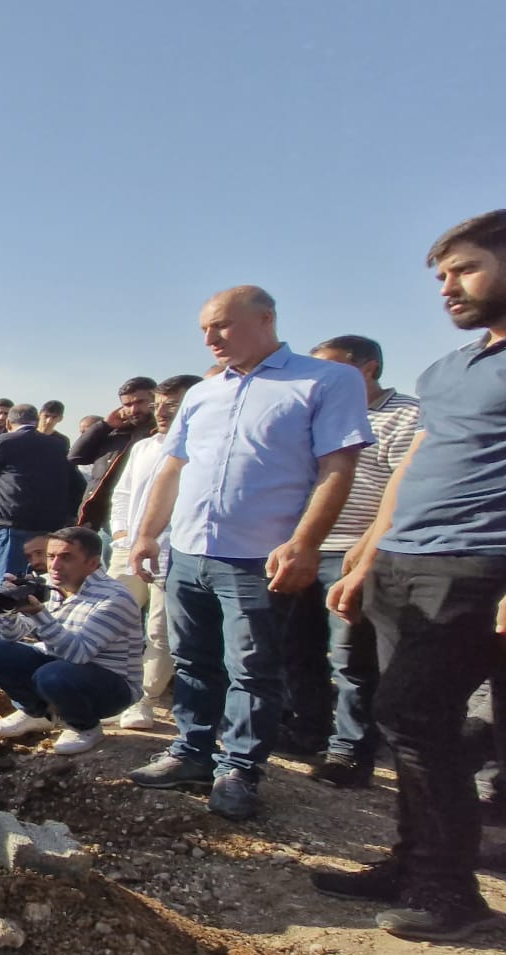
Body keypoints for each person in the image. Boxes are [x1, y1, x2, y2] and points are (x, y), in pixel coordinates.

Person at [318, 212, 506, 940]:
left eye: (463, 270)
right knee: (405, 723)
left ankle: (450, 892)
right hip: (405, 561)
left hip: (476, 567)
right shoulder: (450, 369)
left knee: (416, 716)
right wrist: (368, 551)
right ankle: (412, 865)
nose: (447, 288)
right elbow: (416, 466)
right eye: (440, 278)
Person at [128, 286, 372, 821]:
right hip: (190, 549)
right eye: (204, 330)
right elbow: (173, 468)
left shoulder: (325, 380)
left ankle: (239, 768)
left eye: (222, 325)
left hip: (257, 558)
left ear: (265, 319)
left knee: (253, 669)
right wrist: (147, 533)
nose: (211, 338)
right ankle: (191, 750)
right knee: (193, 660)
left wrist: (305, 543)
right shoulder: (202, 393)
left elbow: (338, 469)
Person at [269, 336, 421, 787]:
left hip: (356, 550)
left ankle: (350, 750)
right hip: (303, 548)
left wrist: (370, 550)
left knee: (351, 657)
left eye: (332, 369)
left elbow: (405, 490)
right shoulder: (320, 411)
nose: (321, 379)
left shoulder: (407, 414)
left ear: (369, 368)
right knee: (298, 649)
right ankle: (308, 730)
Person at [0, 527, 144, 755]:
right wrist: (7, 607)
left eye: (66, 558)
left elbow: (79, 654)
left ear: (92, 563)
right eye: (51, 556)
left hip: (112, 685)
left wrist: (39, 613)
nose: (55, 565)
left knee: (52, 675)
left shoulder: (114, 598)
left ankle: (84, 726)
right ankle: (38, 713)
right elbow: (11, 636)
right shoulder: (50, 585)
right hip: (60, 666)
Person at [105, 375, 203, 730]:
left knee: (160, 629)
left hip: (174, 553)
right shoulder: (144, 447)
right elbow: (124, 495)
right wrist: (121, 532)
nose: (161, 412)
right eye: (158, 404)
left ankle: (143, 698)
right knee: (110, 616)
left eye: (171, 405)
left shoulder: (204, 449)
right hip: (128, 547)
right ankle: (106, 686)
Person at [0, 403, 85, 584]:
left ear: (9, 422)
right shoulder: (57, 445)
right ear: (36, 420)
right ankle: (28, 613)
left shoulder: (5, 441)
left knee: (10, 583)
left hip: (11, 520)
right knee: (34, 583)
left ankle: (6, 613)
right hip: (48, 526)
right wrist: (69, 515)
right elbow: (78, 483)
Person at [69, 376, 159, 531]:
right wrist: (105, 425)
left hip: (136, 517)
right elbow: (76, 456)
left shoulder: (160, 434)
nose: (133, 410)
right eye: (127, 404)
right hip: (100, 517)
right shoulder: (116, 433)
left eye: (140, 402)